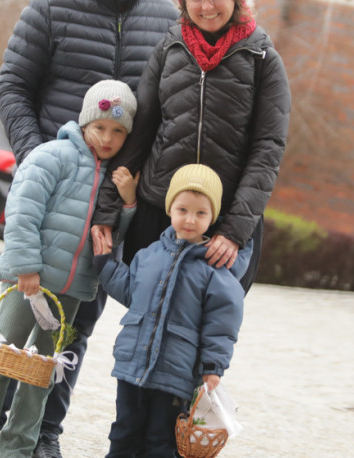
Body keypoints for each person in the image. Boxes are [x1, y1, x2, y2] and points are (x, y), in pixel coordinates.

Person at [0, 0, 177, 458]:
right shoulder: (51, 6)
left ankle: (43, 433)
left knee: (75, 327)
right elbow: (13, 88)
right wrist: (35, 156)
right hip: (52, 199)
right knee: (18, 323)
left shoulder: (168, 22)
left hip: (111, 209)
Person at [0, 80, 140, 458]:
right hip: (28, 284)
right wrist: (25, 267)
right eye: (100, 128)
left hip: (67, 293)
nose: (107, 138)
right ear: (85, 123)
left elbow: (112, 239)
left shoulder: (116, 179)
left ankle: (20, 447)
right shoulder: (51, 156)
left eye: (118, 132)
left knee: (42, 373)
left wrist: (129, 203)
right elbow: (22, 212)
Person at [93, 0, 292, 290]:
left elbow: (267, 150)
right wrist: (108, 211)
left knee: (203, 325)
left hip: (222, 224)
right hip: (160, 214)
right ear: (183, 1)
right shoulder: (169, 49)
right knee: (146, 314)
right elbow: (139, 134)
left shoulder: (263, 60)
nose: (207, 5)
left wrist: (233, 231)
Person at [91, 164, 244, 458]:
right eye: (183, 209)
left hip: (176, 373)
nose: (190, 219)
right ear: (170, 208)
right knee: (124, 431)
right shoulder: (149, 254)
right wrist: (105, 264)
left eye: (201, 213)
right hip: (133, 364)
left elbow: (222, 323)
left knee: (160, 443)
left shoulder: (215, 270)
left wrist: (213, 367)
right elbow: (131, 292)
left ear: (212, 217)